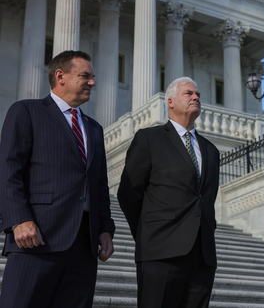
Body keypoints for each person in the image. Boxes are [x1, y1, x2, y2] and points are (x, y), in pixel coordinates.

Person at [0, 50, 116, 308]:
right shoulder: (26, 111)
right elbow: (8, 170)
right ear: (60, 76)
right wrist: (19, 219)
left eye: (93, 77)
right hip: (36, 239)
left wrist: (105, 228)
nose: (93, 83)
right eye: (85, 76)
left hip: (83, 247)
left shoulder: (94, 128)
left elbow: (99, 183)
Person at [117, 77, 220, 308]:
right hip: (160, 252)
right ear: (170, 101)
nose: (195, 97)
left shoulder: (211, 150)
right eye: (188, 93)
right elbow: (128, 193)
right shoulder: (149, 139)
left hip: (202, 256)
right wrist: (148, 233)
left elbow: (207, 198)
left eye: (198, 94)